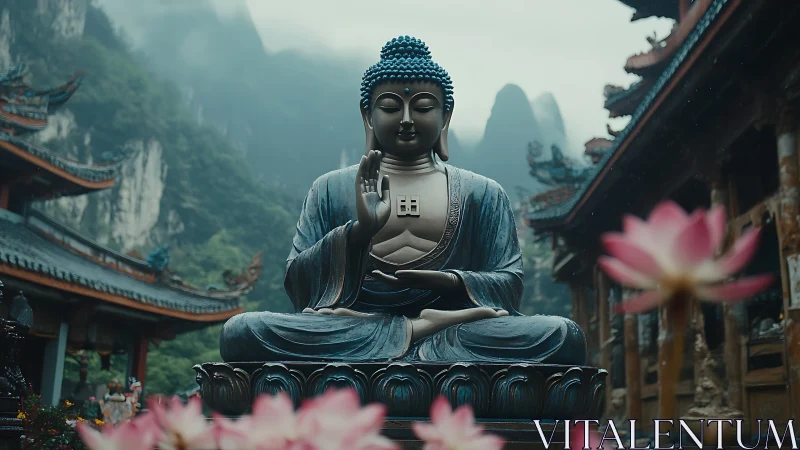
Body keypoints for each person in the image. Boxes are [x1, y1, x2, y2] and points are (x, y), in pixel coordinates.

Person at [219, 36, 586, 364]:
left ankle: (425, 329)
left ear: (446, 116)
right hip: (353, 326)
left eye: (424, 107)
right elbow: (298, 285)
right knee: (244, 332)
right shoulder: (330, 188)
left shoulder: (482, 193)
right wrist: (359, 232)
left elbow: (508, 285)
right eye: (392, 107)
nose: (408, 119)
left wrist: (450, 283)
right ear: (368, 115)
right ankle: (415, 334)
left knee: (561, 336)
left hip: (455, 329)